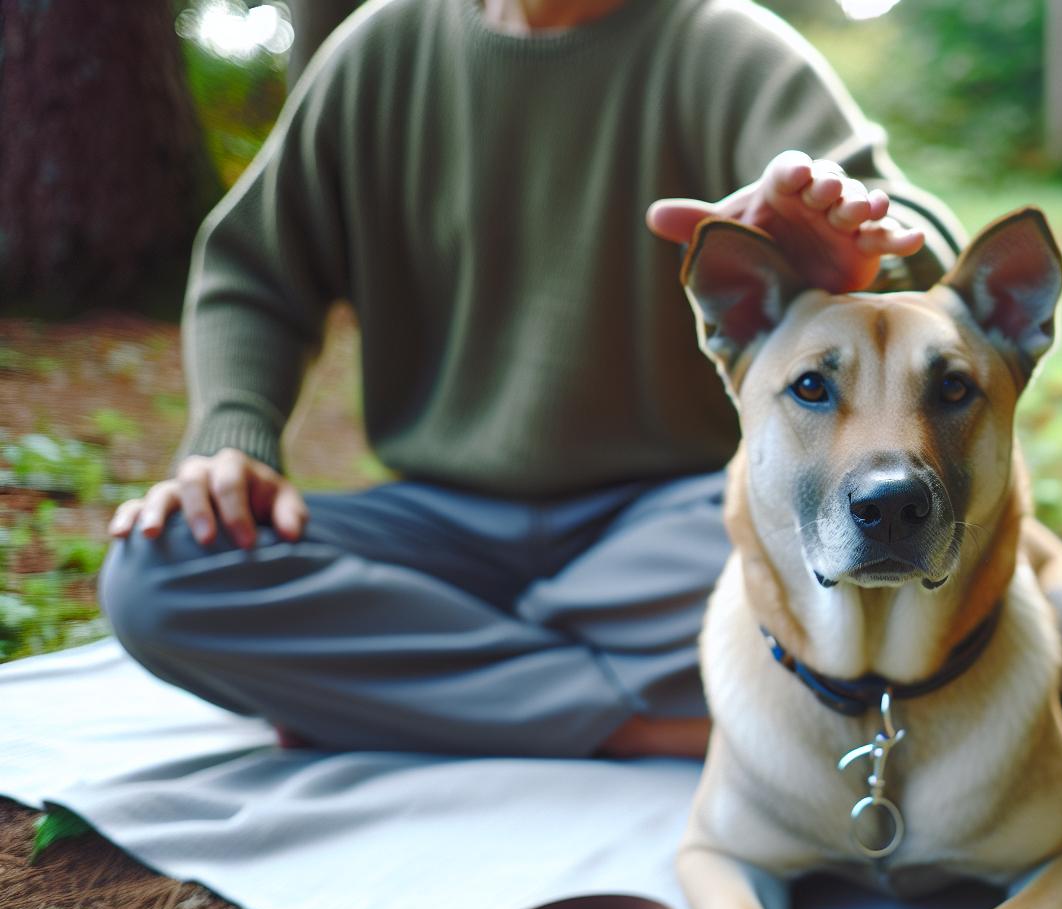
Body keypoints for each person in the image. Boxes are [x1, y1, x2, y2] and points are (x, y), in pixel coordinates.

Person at [98, 0, 983, 759]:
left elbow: (920, 239)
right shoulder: (379, 50)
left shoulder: (727, 44)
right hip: (442, 529)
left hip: (673, 531)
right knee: (160, 573)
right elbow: (255, 270)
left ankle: (410, 691)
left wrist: (866, 260)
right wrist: (229, 434)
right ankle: (647, 722)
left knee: (825, 552)